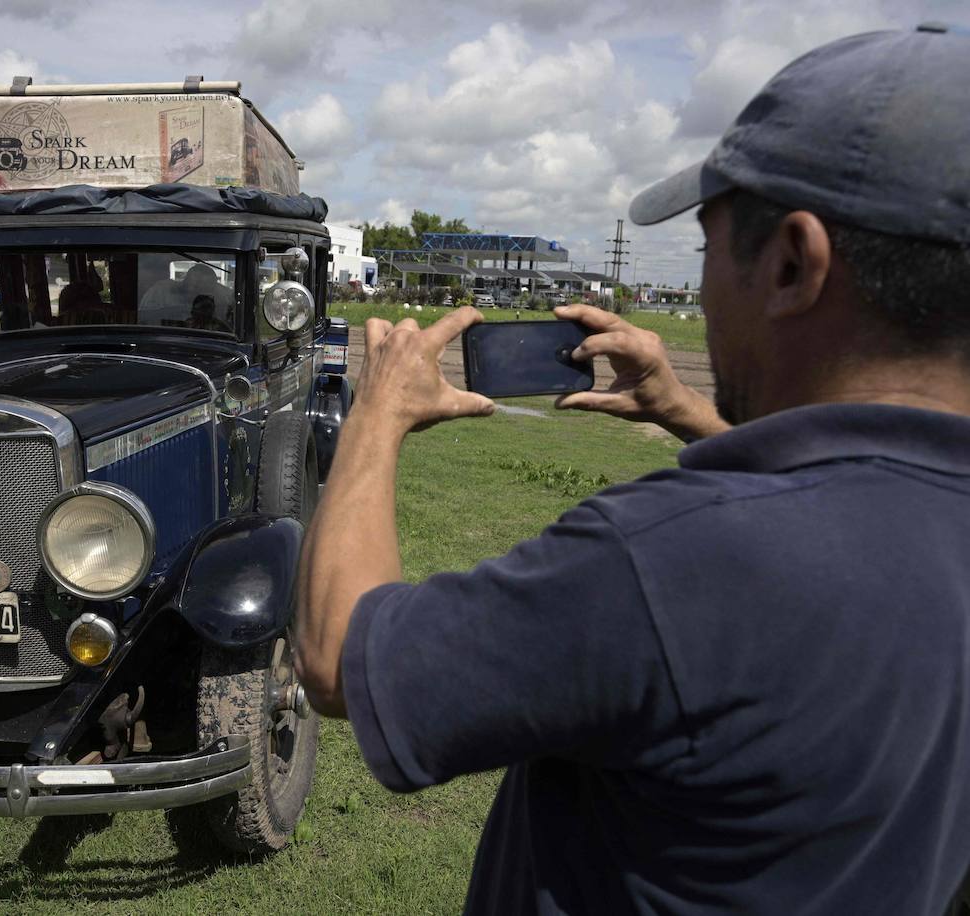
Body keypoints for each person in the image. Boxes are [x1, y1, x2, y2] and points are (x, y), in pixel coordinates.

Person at [296, 24, 970, 914]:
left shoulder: (678, 559)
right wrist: (695, 413)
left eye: (704, 253)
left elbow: (343, 659)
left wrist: (374, 416)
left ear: (793, 262)